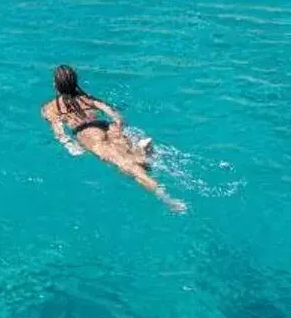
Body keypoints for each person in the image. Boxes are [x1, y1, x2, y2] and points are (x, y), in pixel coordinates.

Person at [42, 64, 185, 211]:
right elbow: (116, 116)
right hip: (108, 126)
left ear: (55, 84)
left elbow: (58, 131)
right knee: (131, 158)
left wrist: (70, 145)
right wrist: (118, 128)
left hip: (89, 135)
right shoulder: (88, 99)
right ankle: (142, 152)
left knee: (128, 168)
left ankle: (167, 199)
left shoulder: (50, 107)